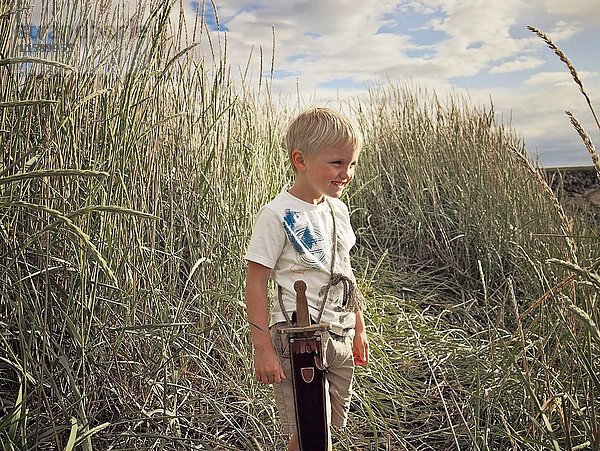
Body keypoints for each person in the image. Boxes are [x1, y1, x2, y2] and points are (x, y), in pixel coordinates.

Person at [245, 107, 369, 450]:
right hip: (300, 339)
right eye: (337, 163)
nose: (346, 173)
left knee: (325, 427)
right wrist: (263, 348)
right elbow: (255, 283)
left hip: (340, 335)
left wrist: (358, 328)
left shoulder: (337, 209)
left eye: (352, 163)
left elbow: (345, 274)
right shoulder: (276, 215)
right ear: (300, 159)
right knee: (309, 426)